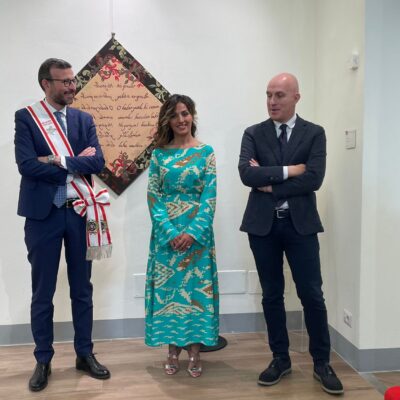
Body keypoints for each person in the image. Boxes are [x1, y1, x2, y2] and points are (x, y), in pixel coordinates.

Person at [238, 73, 344, 395]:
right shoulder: (253, 133)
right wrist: (290, 170)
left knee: (312, 294)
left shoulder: (315, 133)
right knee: (271, 295)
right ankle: (280, 358)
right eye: (268, 94)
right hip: (263, 226)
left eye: (280, 95)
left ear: (296, 97)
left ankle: (321, 363)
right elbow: (247, 174)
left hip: (300, 225)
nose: (272, 101)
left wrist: (270, 183)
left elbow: (314, 179)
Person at [14, 58, 112, 392]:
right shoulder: (27, 118)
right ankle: (43, 359)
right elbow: (27, 165)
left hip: (81, 213)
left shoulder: (84, 119)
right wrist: (74, 164)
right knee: (42, 291)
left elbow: (97, 162)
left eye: (73, 80)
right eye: (65, 81)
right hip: (43, 215)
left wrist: (56, 160)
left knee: (82, 288)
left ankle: (85, 353)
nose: (72, 86)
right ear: (46, 83)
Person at [145, 94, 219, 378]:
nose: (181, 120)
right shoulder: (159, 155)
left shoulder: (206, 153)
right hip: (166, 238)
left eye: (185, 113)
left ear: (192, 116)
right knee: (169, 293)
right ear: (167, 121)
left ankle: (195, 352)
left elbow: (209, 196)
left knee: (195, 293)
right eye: (174, 115)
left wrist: (191, 233)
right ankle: (172, 351)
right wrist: (171, 232)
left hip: (198, 238)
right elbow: (153, 196)